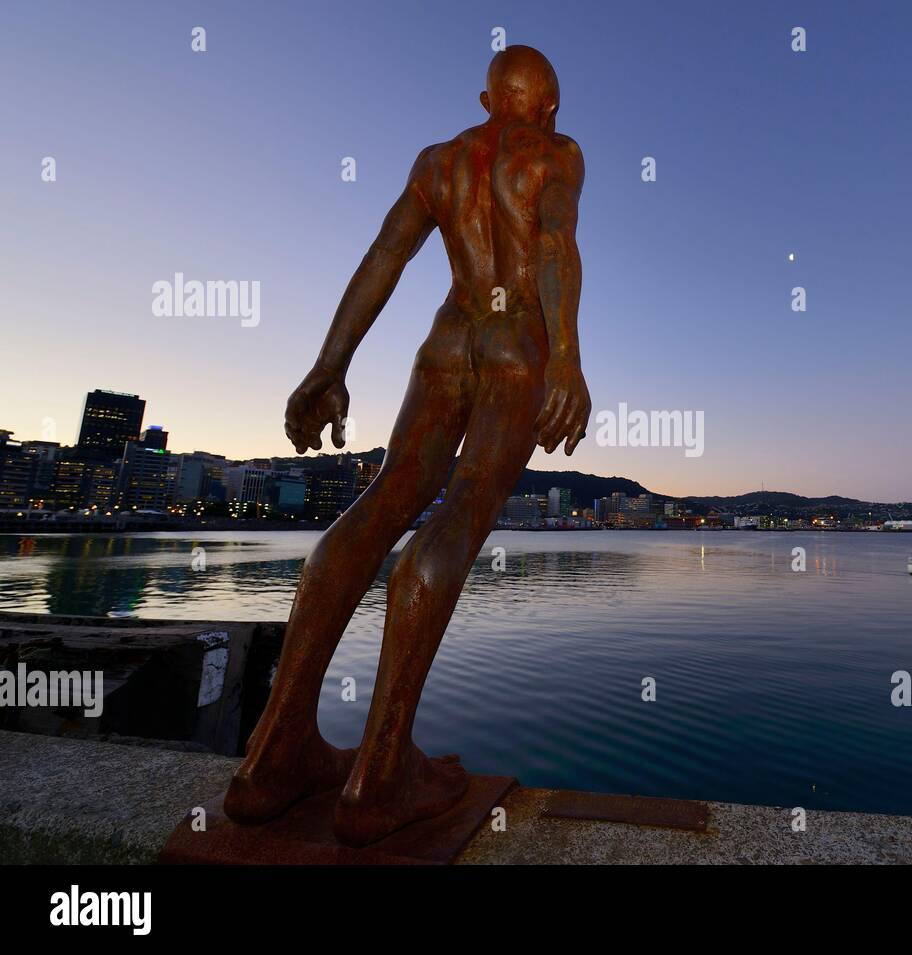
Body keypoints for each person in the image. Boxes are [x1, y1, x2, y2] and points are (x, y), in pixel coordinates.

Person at [224, 45, 590, 846]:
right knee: (461, 511)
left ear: (488, 97)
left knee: (386, 498)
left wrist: (330, 364)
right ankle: (381, 772)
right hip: (513, 341)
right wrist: (565, 352)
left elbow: (386, 254)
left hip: (447, 337)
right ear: (549, 107)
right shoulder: (556, 154)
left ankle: (272, 755)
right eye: (553, 103)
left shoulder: (439, 161)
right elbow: (556, 240)